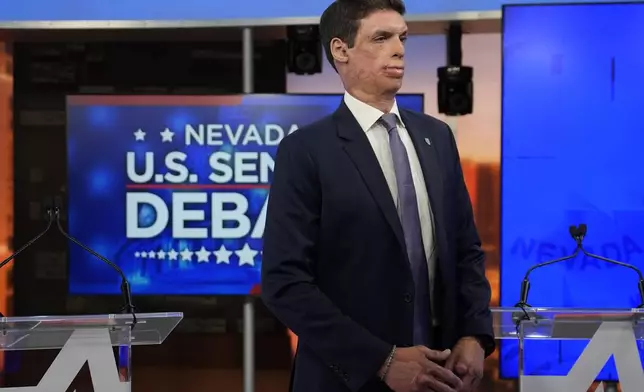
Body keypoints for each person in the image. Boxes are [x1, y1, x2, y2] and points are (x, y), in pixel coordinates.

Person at [261, 0, 495, 391]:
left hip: (442, 375)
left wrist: (474, 336)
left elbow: (465, 249)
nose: (400, 48)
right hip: (345, 379)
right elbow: (284, 283)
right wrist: (382, 361)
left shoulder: (437, 138)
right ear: (341, 49)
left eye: (402, 37)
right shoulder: (306, 151)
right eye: (382, 38)